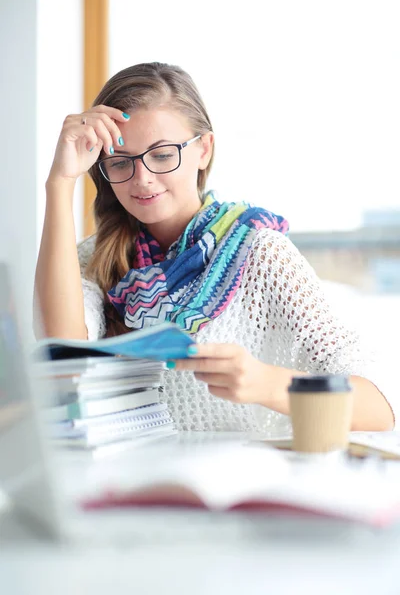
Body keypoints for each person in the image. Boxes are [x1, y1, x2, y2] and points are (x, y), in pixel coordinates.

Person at [34, 62, 395, 435]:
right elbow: (64, 354)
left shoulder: (258, 253)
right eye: (121, 162)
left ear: (204, 149)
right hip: (127, 488)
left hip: (237, 486)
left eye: (161, 155)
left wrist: (266, 384)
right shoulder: (92, 258)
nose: (142, 179)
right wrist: (60, 183)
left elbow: (380, 406)